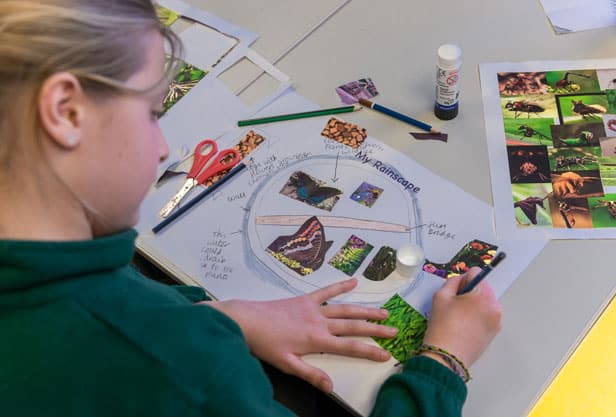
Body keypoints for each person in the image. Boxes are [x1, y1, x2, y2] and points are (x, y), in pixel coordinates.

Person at [0, 1, 502, 416]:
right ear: (66, 112)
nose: (161, 150)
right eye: (151, 113)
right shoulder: (181, 366)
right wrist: (445, 361)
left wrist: (221, 313)